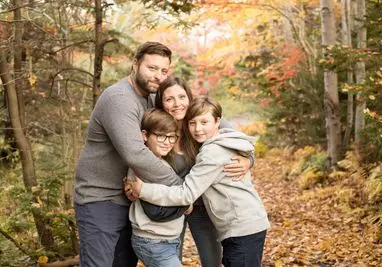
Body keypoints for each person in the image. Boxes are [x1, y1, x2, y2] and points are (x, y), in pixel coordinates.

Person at [74, 41, 181, 267]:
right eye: (151, 68)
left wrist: (238, 145)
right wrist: (180, 188)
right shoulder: (119, 98)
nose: (158, 76)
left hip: (131, 201)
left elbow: (191, 113)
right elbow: (135, 154)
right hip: (100, 200)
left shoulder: (152, 98)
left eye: (164, 71)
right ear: (135, 65)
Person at [128, 96, 270, 267]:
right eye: (192, 123)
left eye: (204, 122)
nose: (198, 129)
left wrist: (143, 190)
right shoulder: (224, 141)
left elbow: (186, 193)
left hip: (242, 226)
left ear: (218, 121)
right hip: (246, 223)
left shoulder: (212, 152)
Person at [154, 76, 253, 266]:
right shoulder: (157, 126)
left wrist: (249, 160)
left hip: (204, 206)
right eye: (169, 99)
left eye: (182, 97)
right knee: (171, 260)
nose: (177, 104)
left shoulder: (202, 119)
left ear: (189, 97)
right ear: (161, 103)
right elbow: (142, 156)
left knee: (212, 260)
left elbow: (241, 142)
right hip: (172, 204)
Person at [128, 108, 188, 266]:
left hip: (169, 240)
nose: (168, 142)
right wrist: (185, 204)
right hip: (152, 242)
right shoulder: (142, 165)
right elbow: (156, 211)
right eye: (161, 135)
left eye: (172, 137)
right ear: (145, 135)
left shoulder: (163, 164)